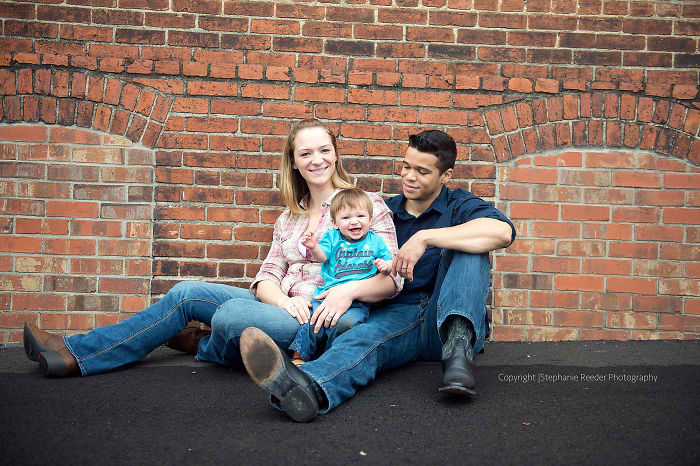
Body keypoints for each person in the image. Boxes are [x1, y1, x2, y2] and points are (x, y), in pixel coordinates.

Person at [21, 119, 402, 404]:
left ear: (335, 153)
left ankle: (208, 344)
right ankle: (76, 352)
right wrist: (284, 300)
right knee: (186, 292)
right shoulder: (290, 217)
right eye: (306, 153)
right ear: (295, 162)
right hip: (284, 307)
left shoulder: (366, 207)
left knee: (231, 317)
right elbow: (268, 276)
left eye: (324, 150)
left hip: (320, 317)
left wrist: (347, 291)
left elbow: (392, 281)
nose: (317, 160)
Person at [240, 129, 516, 422]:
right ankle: (305, 387)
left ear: (445, 176)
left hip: (445, 317)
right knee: (362, 340)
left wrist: (426, 237)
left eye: (422, 171)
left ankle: (458, 353)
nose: (409, 176)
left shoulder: (459, 205)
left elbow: (502, 233)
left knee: (471, 248)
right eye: (406, 166)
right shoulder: (382, 211)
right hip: (399, 314)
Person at [289, 188, 394, 364]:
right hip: (328, 293)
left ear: (370, 218)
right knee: (312, 321)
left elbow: (389, 261)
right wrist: (313, 246)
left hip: (359, 300)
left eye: (360, 216)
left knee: (348, 323)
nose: (354, 221)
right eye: (346, 218)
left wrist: (386, 266)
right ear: (335, 223)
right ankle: (299, 355)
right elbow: (322, 256)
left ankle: (329, 358)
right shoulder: (332, 237)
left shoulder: (375, 241)